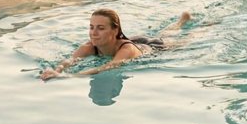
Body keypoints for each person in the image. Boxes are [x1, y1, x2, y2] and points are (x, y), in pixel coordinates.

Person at [40, 9, 191, 80]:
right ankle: (180, 21)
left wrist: (68, 76)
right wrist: (57, 70)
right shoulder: (89, 46)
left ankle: (191, 25)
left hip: (151, 48)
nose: (94, 33)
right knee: (163, 33)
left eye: (101, 28)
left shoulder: (126, 49)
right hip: (134, 39)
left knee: (176, 41)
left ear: (114, 30)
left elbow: (108, 66)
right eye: (91, 27)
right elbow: (69, 60)